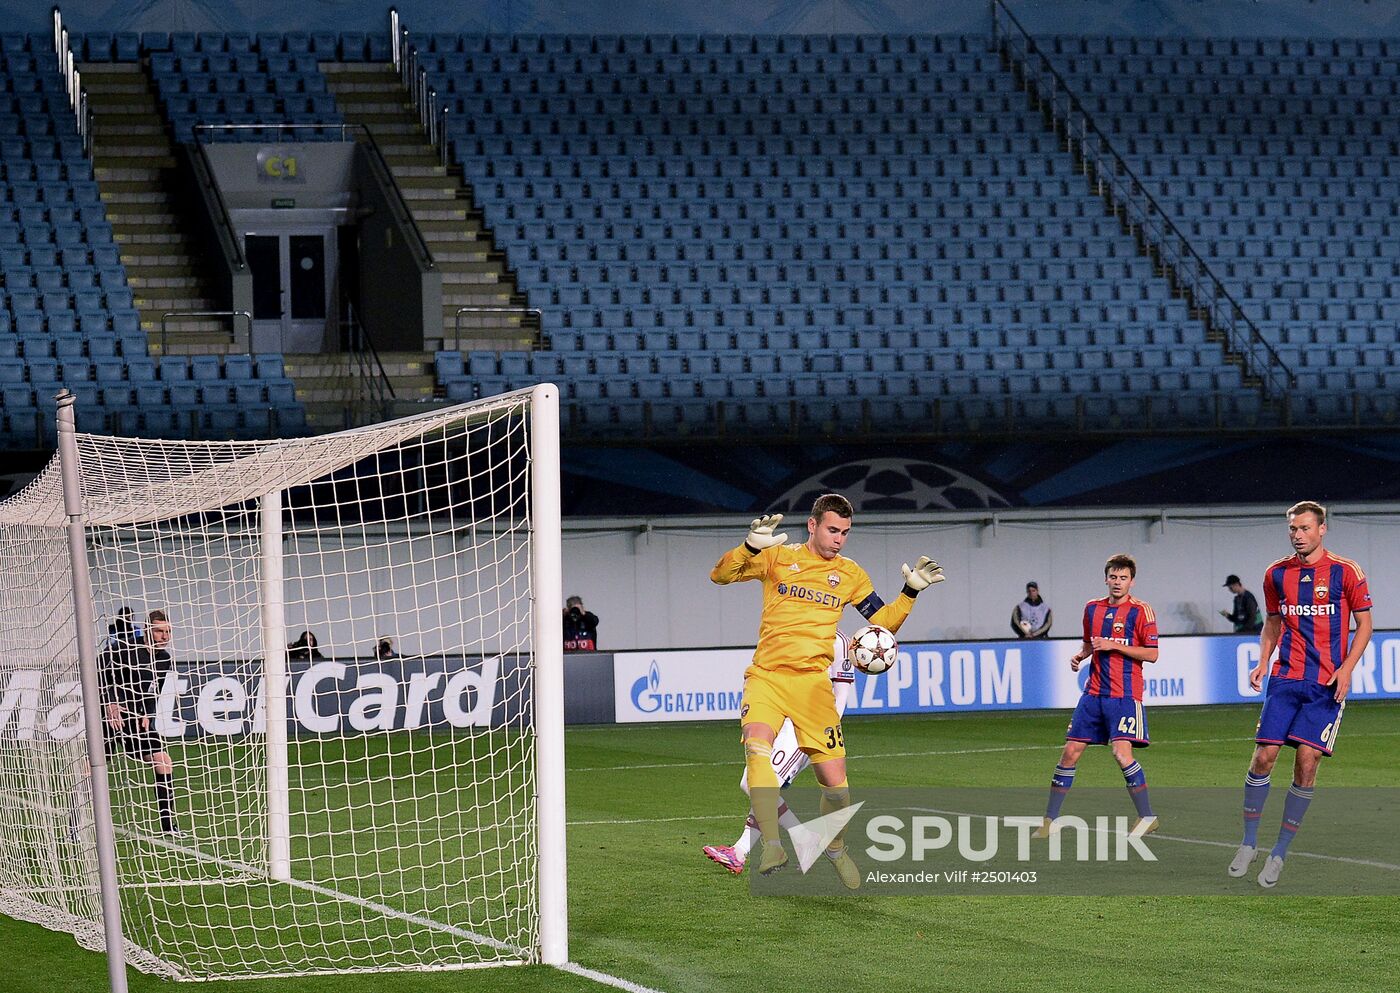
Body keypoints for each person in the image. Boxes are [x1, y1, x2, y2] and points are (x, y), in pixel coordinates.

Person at [709, 492, 945, 888]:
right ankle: (771, 844)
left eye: (846, 532)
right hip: (766, 676)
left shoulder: (850, 573)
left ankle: (834, 847)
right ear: (813, 525)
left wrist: (909, 593)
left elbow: (880, 625)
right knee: (756, 748)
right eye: (833, 530)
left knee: (837, 790)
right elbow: (720, 575)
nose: (839, 538)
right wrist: (749, 546)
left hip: (813, 686)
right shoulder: (777, 556)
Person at [1229, 501, 1372, 888]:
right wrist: (1263, 661)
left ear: (1322, 529)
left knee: (1307, 764)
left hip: (1325, 683)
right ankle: (1249, 842)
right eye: (1293, 528)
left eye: (1305, 528)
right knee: (1264, 756)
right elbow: (1272, 623)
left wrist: (1347, 668)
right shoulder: (1276, 574)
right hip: (1286, 679)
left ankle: (1279, 852)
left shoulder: (1346, 571)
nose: (1297, 534)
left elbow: (1365, 624)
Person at [702, 631, 853, 874]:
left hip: (809, 724)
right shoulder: (788, 625)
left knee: (756, 784)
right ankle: (803, 839)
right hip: (780, 718)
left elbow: (842, 693)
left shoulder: (838, 641)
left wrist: (821, 729)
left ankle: (740, 851)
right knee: (750, 782)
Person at [1034, 554, 1159, 839]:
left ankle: (1147, 817)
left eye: (1123, 578)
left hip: (1125, 694)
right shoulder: (1092, 608)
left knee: (1121, 753)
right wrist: (1082, 654)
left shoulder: (1142, 611)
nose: (1117, 582)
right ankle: (1049, 821)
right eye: (1113, 577)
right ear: (1106, 578)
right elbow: (1091, 643)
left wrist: (1113, 645)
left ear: (1132, 581)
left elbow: (1152, 654)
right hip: (1093, 692)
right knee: (1069, 752)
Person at [97, 609, 182, 836]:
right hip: (111, 717)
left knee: (163, 760)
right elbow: (98, 669)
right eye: (159, 631)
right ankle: (75, 825)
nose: (164, 636)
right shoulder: (124, 649)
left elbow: (154, 690)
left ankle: (168, 826)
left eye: (168, 631)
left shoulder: (164, 659)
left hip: (137, 719)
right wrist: (110, 703)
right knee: (92, 768)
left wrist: (147, 714)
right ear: (146, 630)